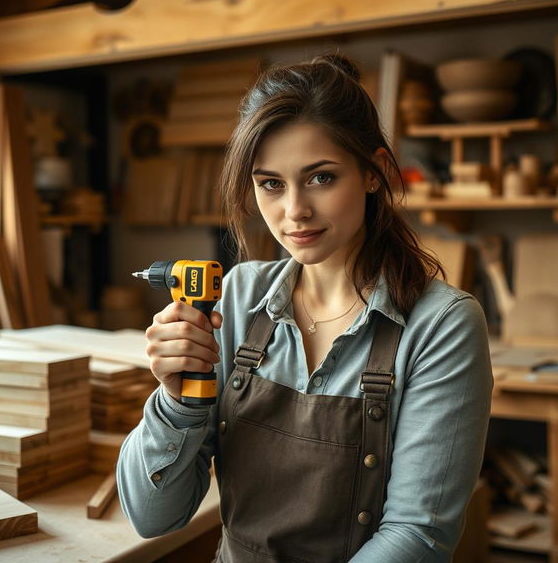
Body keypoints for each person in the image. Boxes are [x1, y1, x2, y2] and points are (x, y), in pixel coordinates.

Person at [117, 53, 493, 562]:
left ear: (376, 172)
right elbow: (153, 517)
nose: (294, 211)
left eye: (320, 178)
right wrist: (177, 400)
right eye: (271, 183)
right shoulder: (237, 299)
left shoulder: (441, 326)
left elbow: (415, 536)